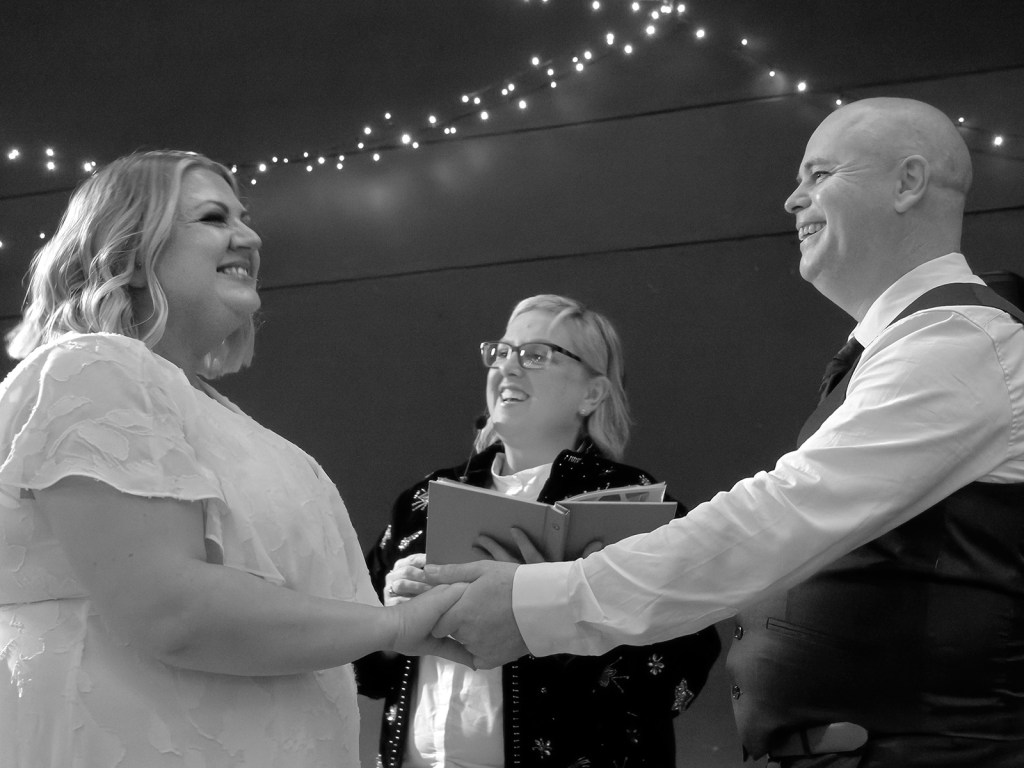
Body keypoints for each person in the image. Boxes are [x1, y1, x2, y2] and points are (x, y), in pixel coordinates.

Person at [425, 97, 1024, 767]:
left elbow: (784, 515)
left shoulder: (959, 343)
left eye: (820, 174)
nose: (793, 200)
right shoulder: (915, 345)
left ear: (908, 182)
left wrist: (533, 606)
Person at [0, 150, 469, 768]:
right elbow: (171, 611)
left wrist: (403, 609)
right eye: (214, 217)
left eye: (244, 219)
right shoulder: (92, 367)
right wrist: (396, 628)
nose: (249, 237)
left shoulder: (213, 410)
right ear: (129, 255)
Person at [355, 294, 720, 768]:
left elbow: (682, 668)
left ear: (592, 394)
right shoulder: (423, 500)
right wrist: (390, 620)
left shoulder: (632, 504)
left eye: (535, 355)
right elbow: (361, 669)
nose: (507, 367)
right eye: (501, 352)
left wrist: (553, 612)